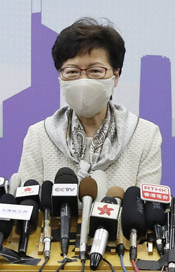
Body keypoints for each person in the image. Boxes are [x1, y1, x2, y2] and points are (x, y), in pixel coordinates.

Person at [16, 17, 163, 191]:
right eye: (72, 71)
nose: (84, 81)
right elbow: (29, 205)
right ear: (60, 76)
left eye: (95, 71)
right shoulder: (39, 136)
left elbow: (144, 210)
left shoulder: (144, 135)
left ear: (115, 75)